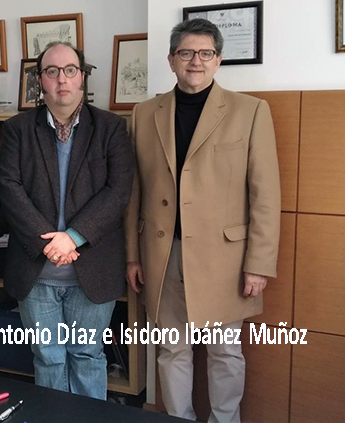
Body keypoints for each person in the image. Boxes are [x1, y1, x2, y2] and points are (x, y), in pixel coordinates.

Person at [125, 19, 280, 423]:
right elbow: (133, 193)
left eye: (205, 53)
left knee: (225, 351)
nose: (196, 61)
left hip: (224, 260)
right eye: (187, 53)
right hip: (163, 254)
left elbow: (265, 195)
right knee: (171, 349)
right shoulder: (144, 113)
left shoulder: (250, 111)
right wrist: (132, 256)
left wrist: (259, 264)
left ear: (218, 60)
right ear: (172, 60)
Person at [0, 42, 135, 400]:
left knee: (87, 356)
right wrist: (48, 243)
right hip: (36, 271)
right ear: (39, 80)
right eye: (52, 71)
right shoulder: (17, 129)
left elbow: (118, 191)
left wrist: (72, 237)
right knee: (48, 359)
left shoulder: (111, 128)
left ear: (82, 77)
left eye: (70, 70)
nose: (62, 80)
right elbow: (9, 187)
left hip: (92, 268)